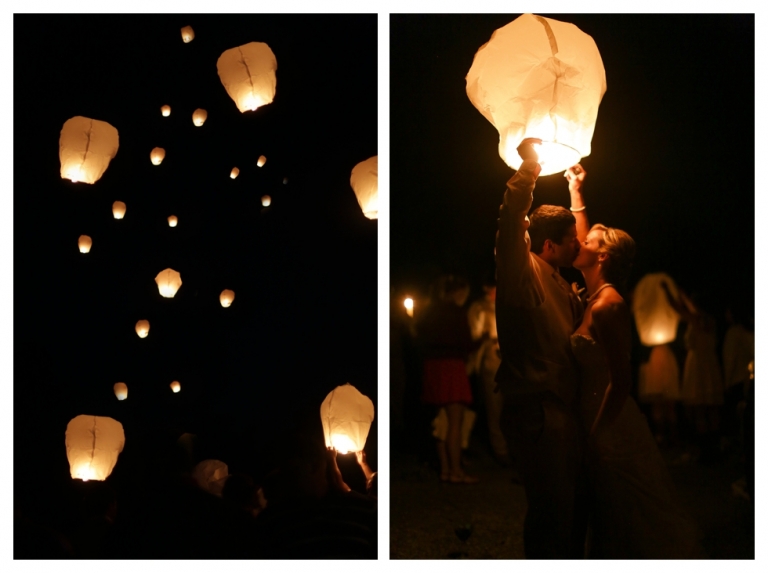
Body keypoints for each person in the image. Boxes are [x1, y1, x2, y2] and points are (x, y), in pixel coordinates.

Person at [571, 223, 704, 558]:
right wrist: (576, 189)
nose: (577, 241)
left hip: (610, 422)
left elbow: (622, 380)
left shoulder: (608, 306)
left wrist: (596, 435)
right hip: (590, 413)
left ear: (601, 255)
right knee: (607, 516)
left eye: (585, 241)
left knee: (628, 514)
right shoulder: (593, 297)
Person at [494, 138, 590, 558]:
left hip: (561, 409)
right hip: (534, 409)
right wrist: (530, 165)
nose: (578, 245)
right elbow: (512, 217)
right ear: (548, 245)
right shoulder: (523, 270)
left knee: (569, 509)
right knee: (550, 511)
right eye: (571, 239)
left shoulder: (562, 282)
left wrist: (575, 191)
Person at [418, 274, 479, 484]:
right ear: (456, 292)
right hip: (451, 366)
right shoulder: (456, 312)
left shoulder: (428, 312)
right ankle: (456, 471)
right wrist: (481, 341)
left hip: (432, 366)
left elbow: (418, 337)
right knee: (455, 423)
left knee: (441, 422)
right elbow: (466, 342)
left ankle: (445, 470)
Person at [467, 276, 512, 468]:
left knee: (510, 406)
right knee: (495, 406)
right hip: (491, 357)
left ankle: (513, 449)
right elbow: (474, 334)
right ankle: (500, 451)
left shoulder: (508, 303)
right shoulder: (478, 308)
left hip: (510, 357)